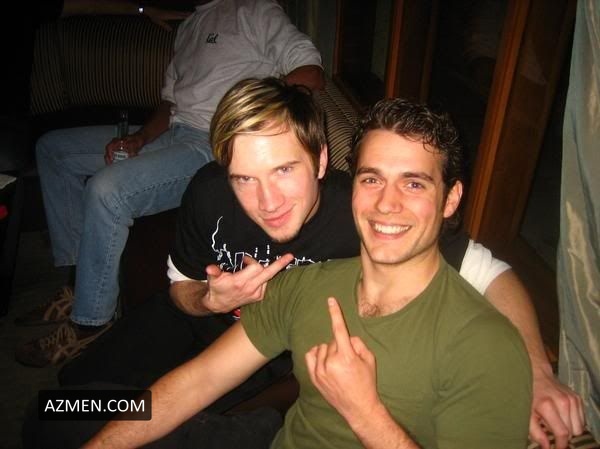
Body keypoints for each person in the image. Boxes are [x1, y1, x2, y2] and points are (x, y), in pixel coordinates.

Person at [49, 77, 584, 448]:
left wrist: (537, 370)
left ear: (321, 160)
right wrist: (207, 299)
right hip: (193, 317)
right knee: (63, 409)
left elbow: (491, 272)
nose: (267, 201)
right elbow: (180, 286)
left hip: (263, 348)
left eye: (284, 170)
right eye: (245, 178)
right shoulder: (209, 193)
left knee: (173, 419)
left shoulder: (368, 212)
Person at [14, 0, 325, 367]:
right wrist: (141, 138)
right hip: (173, 134)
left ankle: (90, 323)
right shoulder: (191, 23)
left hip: (209, 144)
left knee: (107, 191)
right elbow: (170, 103)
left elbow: (310, 72)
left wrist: (245, 119)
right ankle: (79, 279)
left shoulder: (255, 11)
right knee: (53, 150)